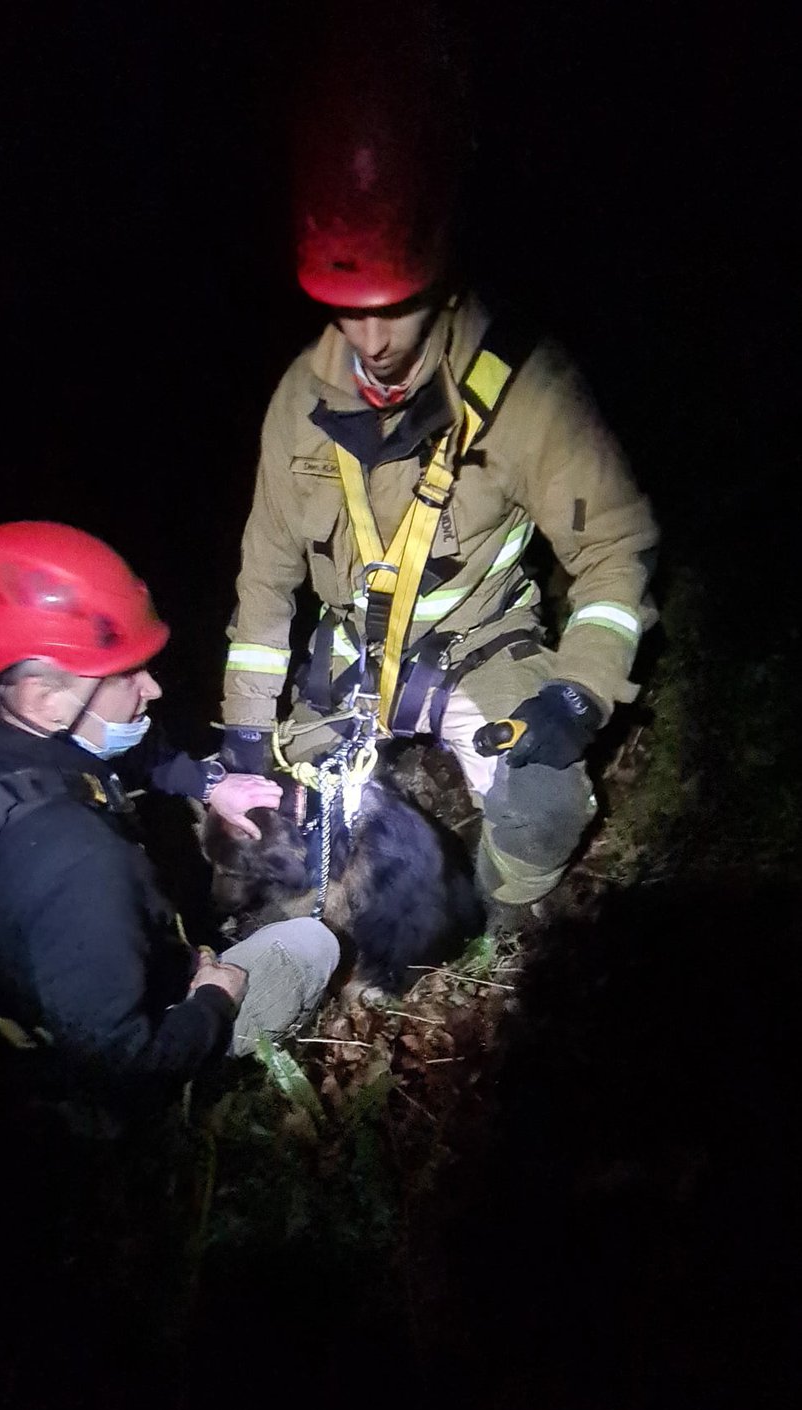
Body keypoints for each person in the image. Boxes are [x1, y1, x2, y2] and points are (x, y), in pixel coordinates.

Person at [220, 63, 659, 922]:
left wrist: (581, 688)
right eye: (351, 310)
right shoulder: (294, 409)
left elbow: (612, 551)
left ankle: (495, 926)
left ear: (441, 271)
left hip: (481, 645)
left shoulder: (530, 390)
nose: (374, 341)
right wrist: (243, 736)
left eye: (399, 306)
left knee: (544, 811)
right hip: (349, 663)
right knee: (262, 854)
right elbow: (265, 586)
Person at [0, 521, 340, 1116]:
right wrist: (212, 1003)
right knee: (312, 943)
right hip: (101, 1057)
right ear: (42, 696)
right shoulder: (81, 862)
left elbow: (120, 748)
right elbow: (121, 1059)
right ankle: (194, 1110)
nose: (154, 687)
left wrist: (208, 784)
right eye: (125, 673)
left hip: (39, 977)